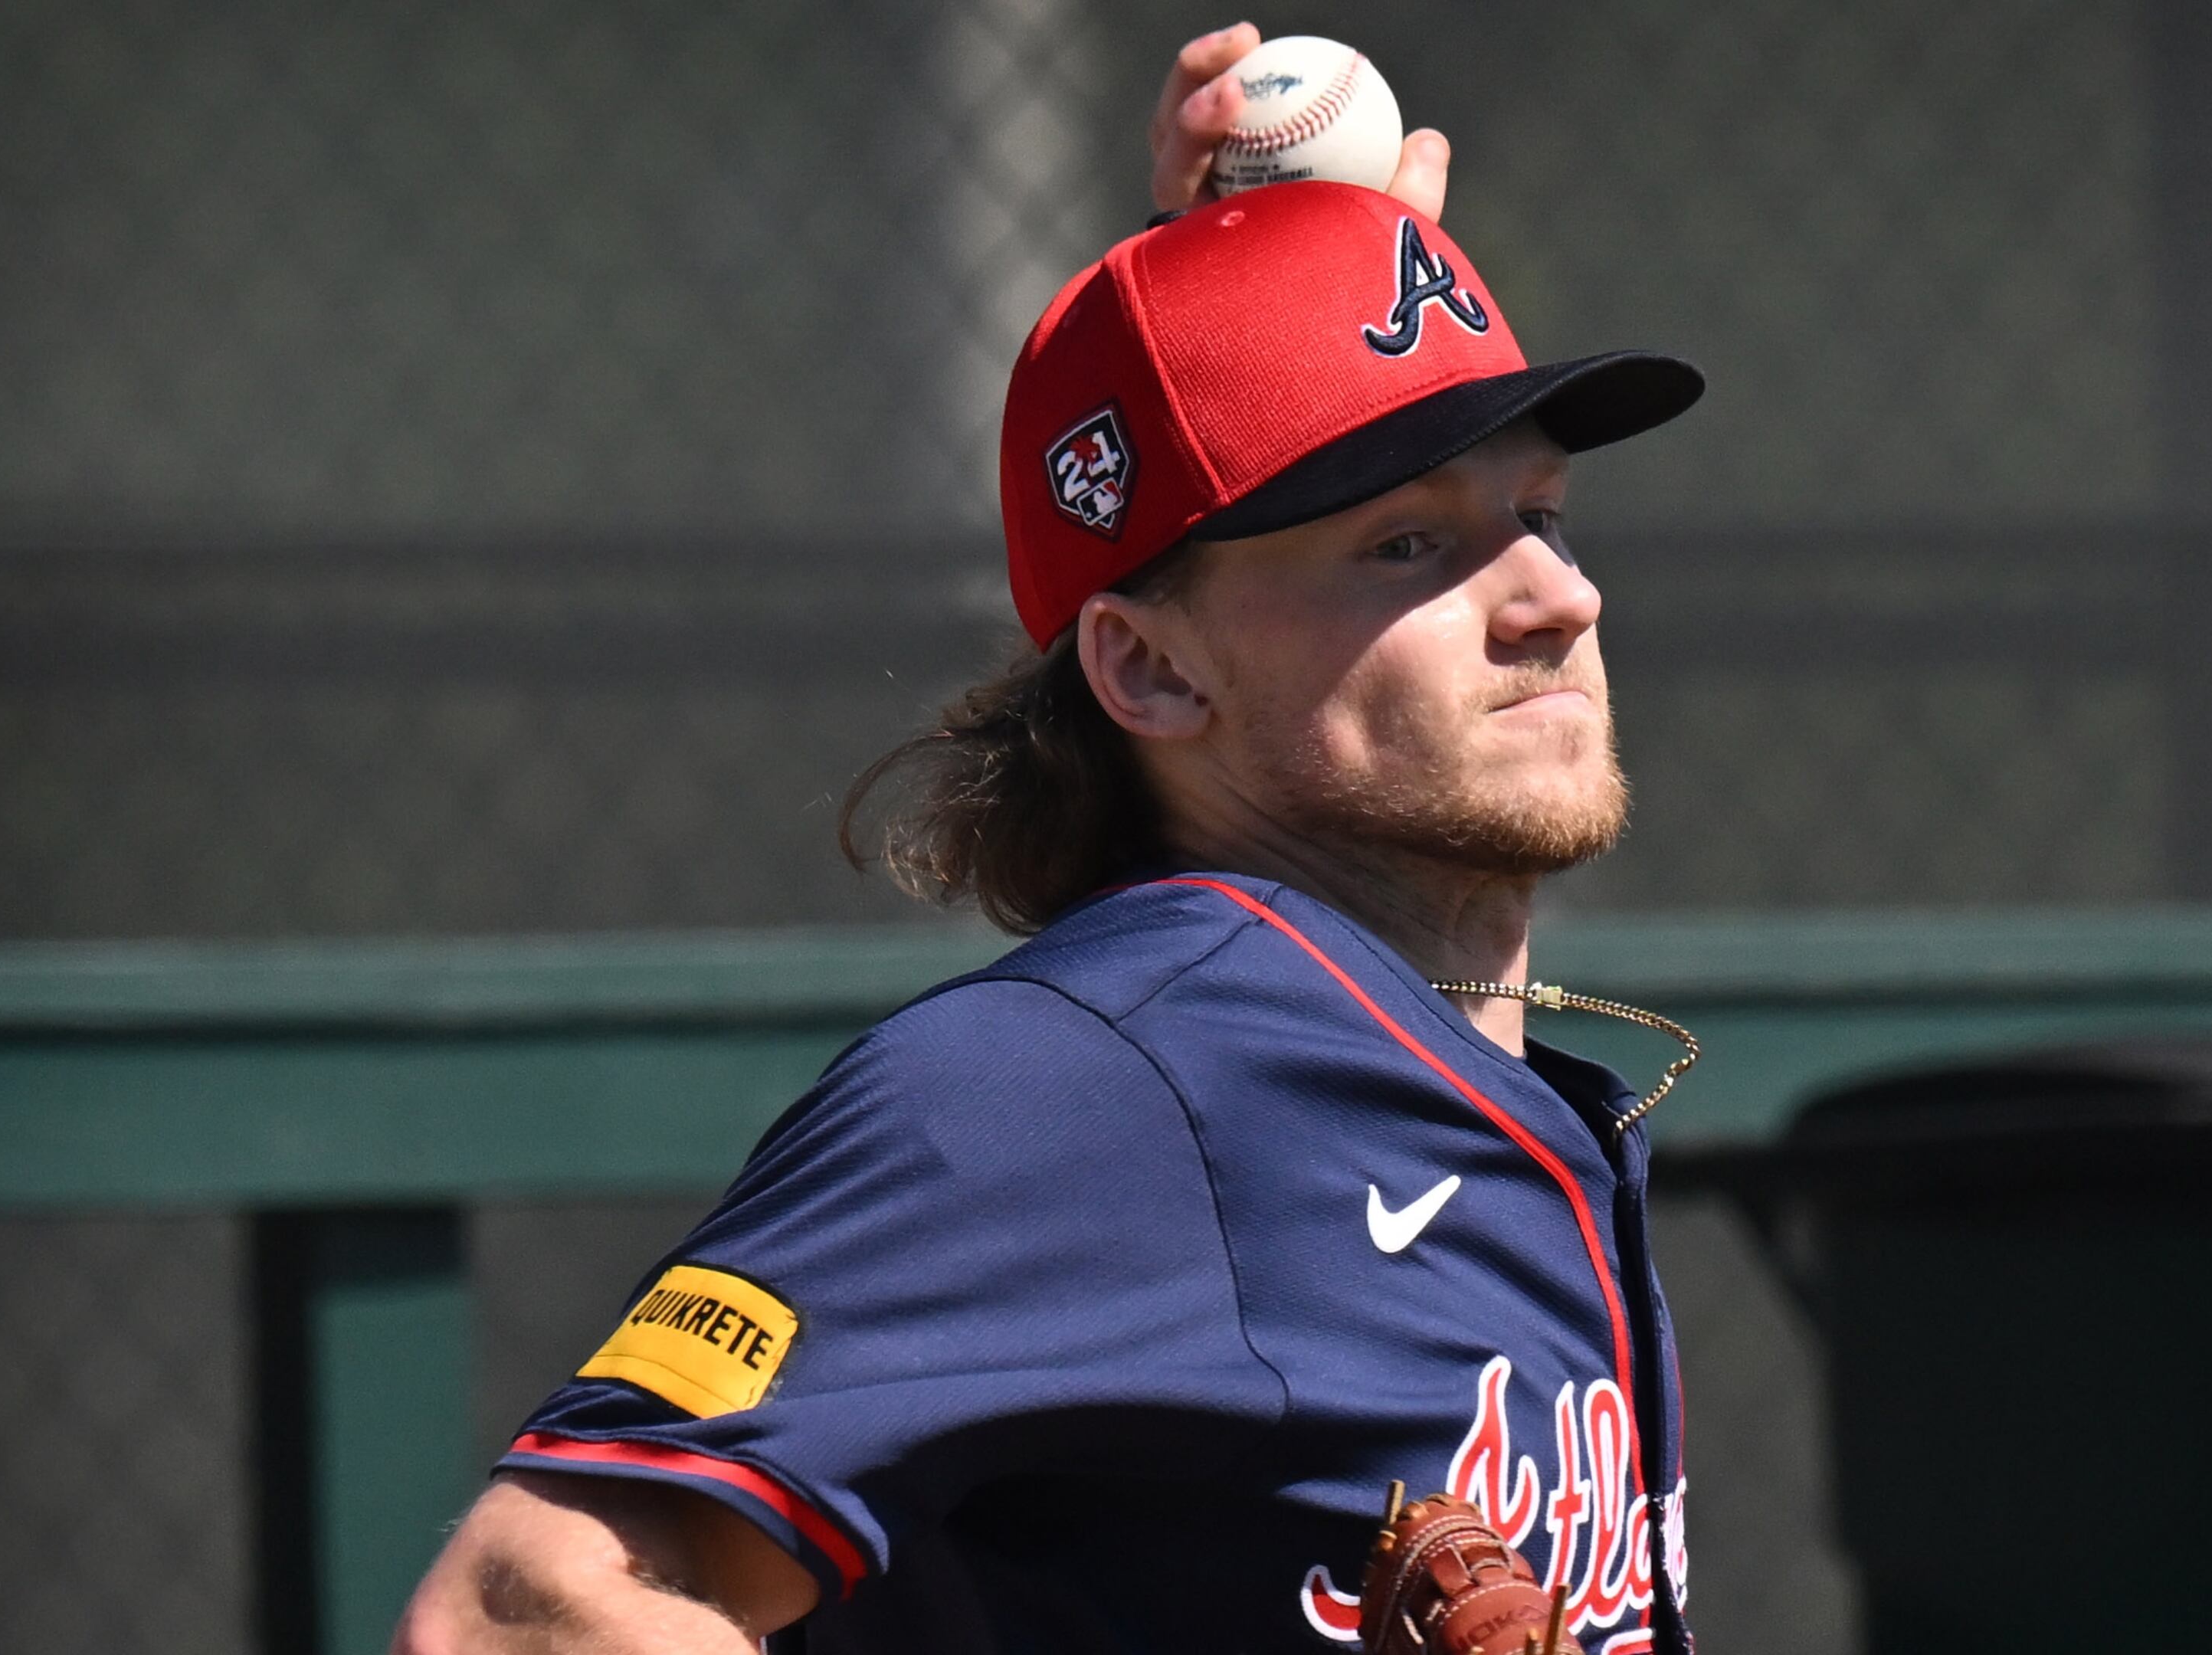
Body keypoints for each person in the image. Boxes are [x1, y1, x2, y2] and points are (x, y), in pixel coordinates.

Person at [395, 24, 1704, 1655]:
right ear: (1150, 664)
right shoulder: (1096, 1084)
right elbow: (534, 1608)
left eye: (1541, 513)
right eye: (1406, 543)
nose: (1554, 600)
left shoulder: (1434, 1073)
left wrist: (1295, 289)